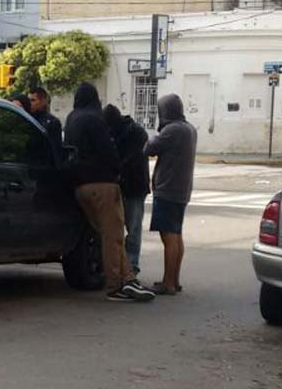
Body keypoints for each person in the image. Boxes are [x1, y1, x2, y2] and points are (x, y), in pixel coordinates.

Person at [64, 82, 155, 303]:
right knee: (114, 238)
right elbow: (108, 152)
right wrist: (117, 171)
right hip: (102, 184)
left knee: (107, 236)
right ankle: (116, 286)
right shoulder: (95, 119)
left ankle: (128, 278)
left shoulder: (72, 119)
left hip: (81, 186)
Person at [144, 94, 198, 296]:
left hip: (168, 189)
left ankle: (168, 283)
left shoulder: (172, 130)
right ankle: (174, 280)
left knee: (168, 236)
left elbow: (149, 148)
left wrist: (151, 135)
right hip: (182, 190)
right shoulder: (189, 129)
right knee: (176, 234)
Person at [103, 104, 150, 275]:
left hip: (134, 186)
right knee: (123, 228)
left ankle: (132, 265)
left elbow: (132, 160)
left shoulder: (135, 134)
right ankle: (125, 264)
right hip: (122, 185)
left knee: (133, 227)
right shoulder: (116, 132)